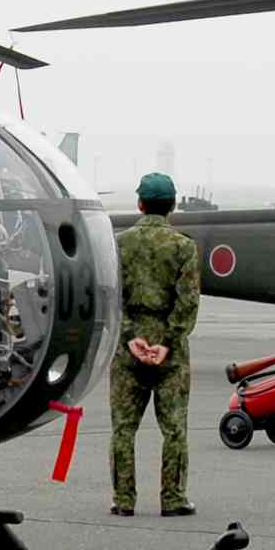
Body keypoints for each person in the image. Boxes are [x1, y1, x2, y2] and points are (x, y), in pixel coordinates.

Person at [110, 172, 201, 516]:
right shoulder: (183, 247)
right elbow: (188, 301)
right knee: (174, 428)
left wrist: (131, 337)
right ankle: (173, 498)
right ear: (172, 205)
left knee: (123, 429)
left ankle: (123, 500)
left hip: (128, 346)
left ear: (140, 204)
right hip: (170, 351)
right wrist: (167, 342)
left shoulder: (119, 244)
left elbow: (111, 297)